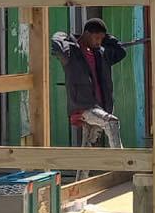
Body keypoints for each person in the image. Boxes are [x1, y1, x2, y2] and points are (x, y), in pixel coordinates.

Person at [51, 19, 128, 159]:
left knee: (87, 148)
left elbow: (120, 51)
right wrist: (69, 38)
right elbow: (56, 42)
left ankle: (82, 172)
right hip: (84, 106)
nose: (99, 42)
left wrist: (105, 37)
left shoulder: (100, 53)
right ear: (86, 34)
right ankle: (121, 163)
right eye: (97, 38)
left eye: (101, 39)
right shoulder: (71, 53)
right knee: (111, 123)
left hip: (101, 107)